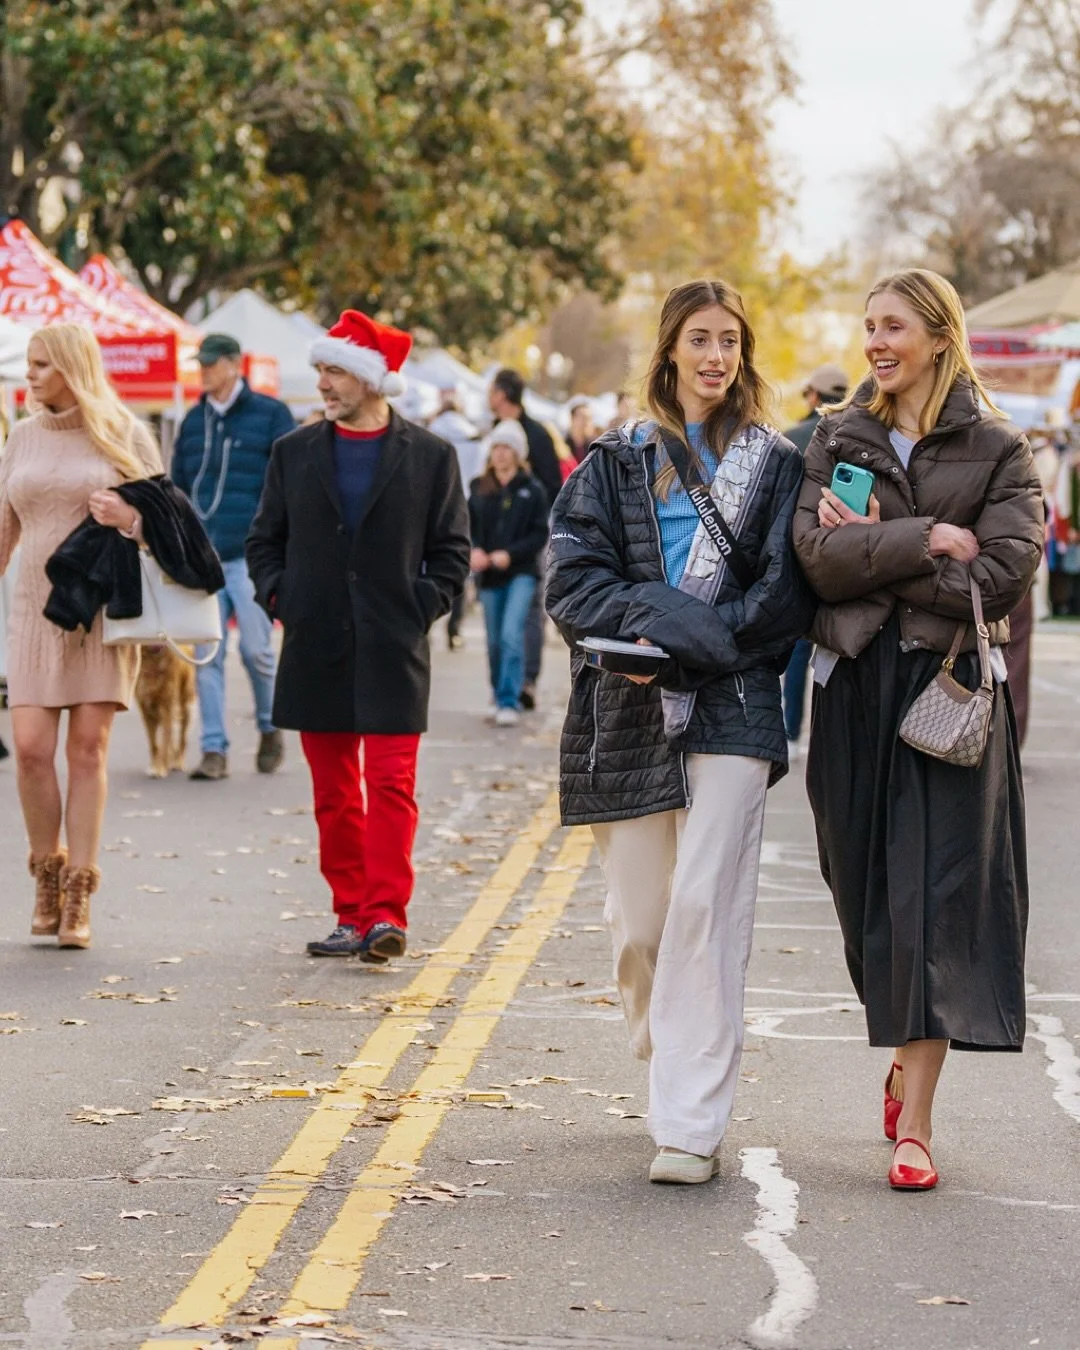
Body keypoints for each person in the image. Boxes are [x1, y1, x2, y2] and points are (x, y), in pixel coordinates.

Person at [546, 279, 813, 1184]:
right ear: (669, 350)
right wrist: (657, 618)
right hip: (626, 704)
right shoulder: (616, 458)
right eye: (699, 339)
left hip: (734, 701)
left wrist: (703, 645)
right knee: (643, 926)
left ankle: (689, 1126)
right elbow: (573, 578)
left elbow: (782, 596)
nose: (715, 357)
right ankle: (667, 1046)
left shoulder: (776, 464)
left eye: (730, 341)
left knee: (706, 906)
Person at [792, 268, 1043, 1192]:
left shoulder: (1002, 447)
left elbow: (1007, 576)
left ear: (939, 334)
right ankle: (903, 1046)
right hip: (856, 687)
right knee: (864, 896)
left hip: (947, 696)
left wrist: (879, 545)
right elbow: (817, 563)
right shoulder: (837, 434)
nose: (875, 343)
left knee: (934, 905)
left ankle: (919, 1124)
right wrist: (931, 538)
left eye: (892, 326)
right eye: (868, 327)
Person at [247, 310, 470, 962]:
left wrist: (418, 607)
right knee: (336, 794)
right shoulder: (293, 452)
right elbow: (265, 541)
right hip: (316, 643)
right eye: (320, 369)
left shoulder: (432, 457)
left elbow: (451, 552)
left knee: (393, 786)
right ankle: (350, 913)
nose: (323, 382)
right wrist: (281, 598)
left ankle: (384, 916)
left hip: (393, 644)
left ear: (372, 379)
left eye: (335, 369)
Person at [0, 323, 163, 947]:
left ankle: (78, 894)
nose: (31, 374)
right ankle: (47, 868)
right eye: (29, 364)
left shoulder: (124, 433)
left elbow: (169, 529)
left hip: (100, 612)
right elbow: (4, 529)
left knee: (88, 749)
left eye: (42, 364)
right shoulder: (22, 437)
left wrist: (130, 517)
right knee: (32, 750)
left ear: (72, 367)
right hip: (33, 613)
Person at [171, 333, 295, 780]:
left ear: (233, 365)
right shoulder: (193, 420)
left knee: (258, 650)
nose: (202, 371)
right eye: (199, 364)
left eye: (209, 364)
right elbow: (178, 483)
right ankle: (214, 748)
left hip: (251, 556)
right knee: (207, 654)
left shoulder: (270, 415)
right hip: (204, 558)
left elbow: (290, 482)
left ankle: (269, 726)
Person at [782, 363, 849, 755]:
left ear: (812, 396)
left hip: (798, 558)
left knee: (796, 650)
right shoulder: (863, 437)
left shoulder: (791, 439)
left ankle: (791, 730)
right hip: (846, 559)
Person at [468, 420, 550, 726]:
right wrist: (475, 549)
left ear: (517, 453)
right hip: (488, 575)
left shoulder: (532, 489)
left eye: (506, 448)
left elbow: (539, 534)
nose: (500, 454)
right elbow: (468, 525)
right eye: (496, 448)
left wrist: (510, 554)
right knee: (493, 640)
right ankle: (497, 690)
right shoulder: (479, 487)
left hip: (521, 573)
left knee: (511, 634)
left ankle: (509, 699)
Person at [488, 368, 561, 709]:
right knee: (498, 614)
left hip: (533, 534)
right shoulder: (494, 432)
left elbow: (553, 484)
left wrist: (529, 509)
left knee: (531, 607)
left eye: (492, 391)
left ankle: (527, 680)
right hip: (496, 541)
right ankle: (504, 680)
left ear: (502, 395)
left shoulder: (537, 434)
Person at [428, 385, 483, 650]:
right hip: (464, 502)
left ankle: (430, 619)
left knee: (429, 560)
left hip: (434, 503)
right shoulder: (470, 434)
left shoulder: (432, 431)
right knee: (459, 561)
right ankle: (454, 626)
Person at [566, 396, 596, 465]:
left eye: (589, 418)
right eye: (583, 417)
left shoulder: (596, 447)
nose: (586, 422)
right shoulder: (563, 446)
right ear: (572, 419)